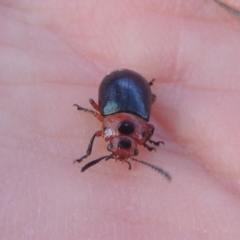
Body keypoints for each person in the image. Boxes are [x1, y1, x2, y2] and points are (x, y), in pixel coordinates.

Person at [1, 1, 240, 239]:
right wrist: (148, 141)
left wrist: (147, 140)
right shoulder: (133, 125)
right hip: (129, 89)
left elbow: (149, 127)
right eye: (134, 148)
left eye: (112, 147)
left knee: (117, 112)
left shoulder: (135, 126)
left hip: (129, 91)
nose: (121, 151)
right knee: (129, 109)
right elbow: (149, 127)